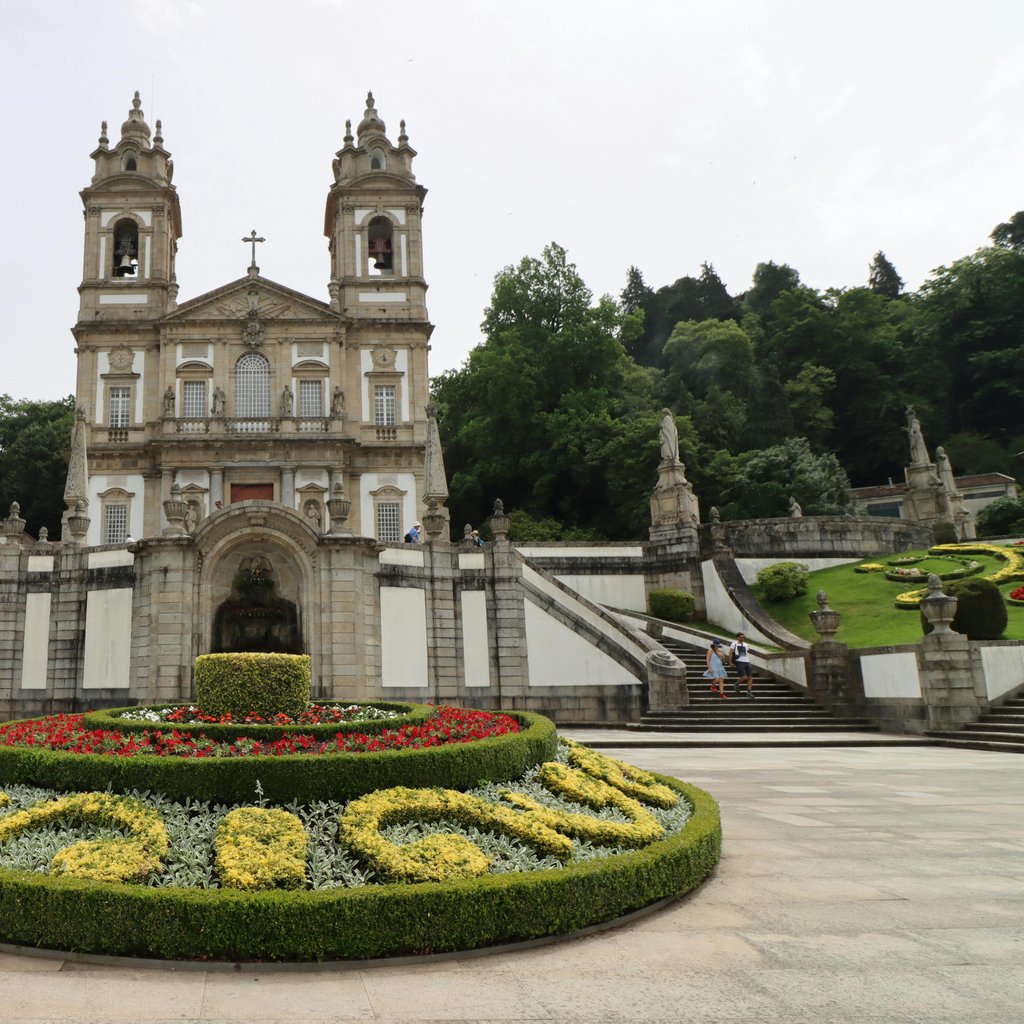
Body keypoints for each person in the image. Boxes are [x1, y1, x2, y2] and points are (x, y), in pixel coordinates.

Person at [730, 632, 754, 699]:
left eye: (743, 637)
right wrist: (731, 662)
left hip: (747, 661)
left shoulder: (745, 645)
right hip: (739, 662)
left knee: (750, 677)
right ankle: (736, 684)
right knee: (744, 677)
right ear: (737, 637)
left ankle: (749, 691)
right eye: (741, 637)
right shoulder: (734, 644)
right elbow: (731, 653)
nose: (742, 638)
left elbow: (746, 653)